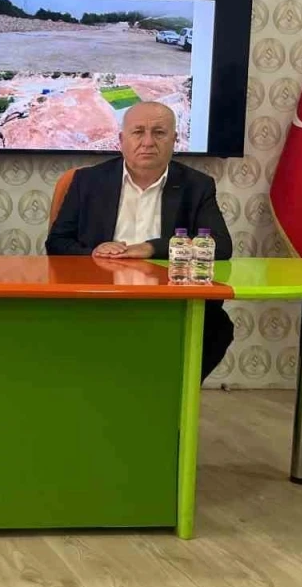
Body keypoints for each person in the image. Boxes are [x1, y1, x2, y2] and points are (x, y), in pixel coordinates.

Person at [45, 101, 235, 381]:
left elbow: (220, 245)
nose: (148, 142)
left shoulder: (197, 185)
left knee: (218, 328)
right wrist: (94, 251)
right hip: (98, 298)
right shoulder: (88, 181)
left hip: (170, 301)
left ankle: (169, 398)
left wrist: (152, 247)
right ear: (121, 140)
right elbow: (56, 243)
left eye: (159, 133)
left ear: (174, 139)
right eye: (138, 132)